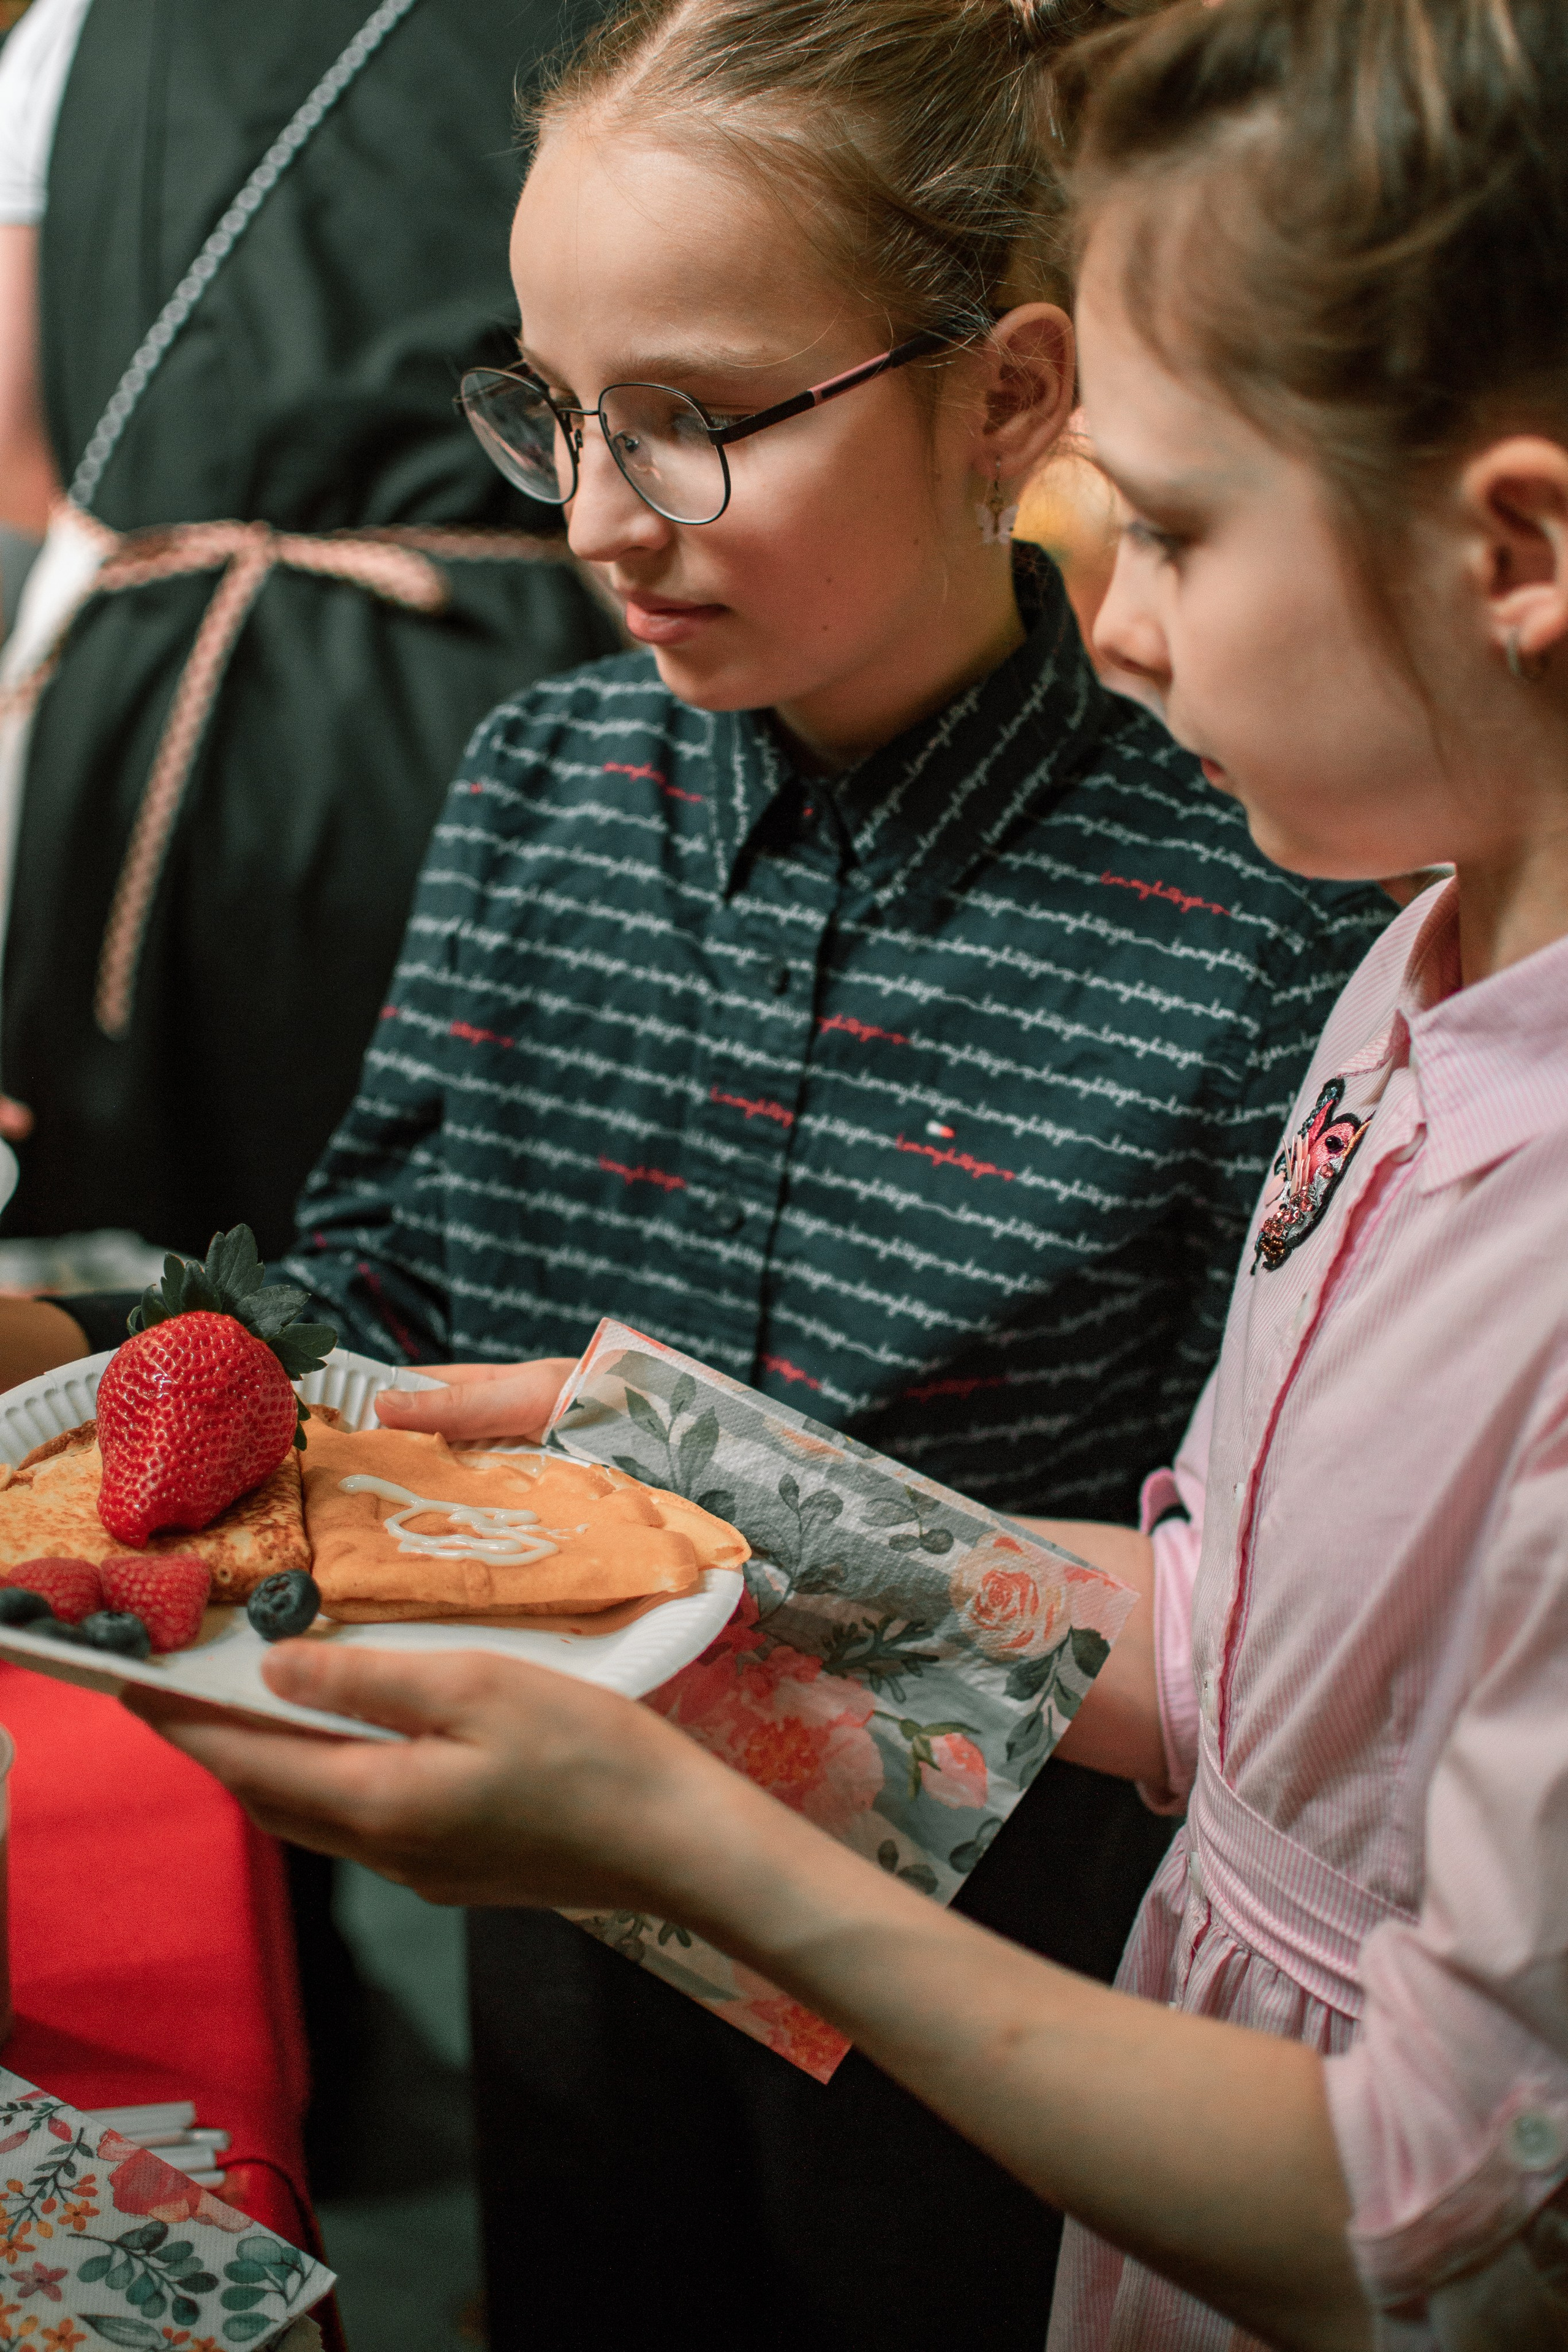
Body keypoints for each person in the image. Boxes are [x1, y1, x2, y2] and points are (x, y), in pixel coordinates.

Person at [121, 0, 1568, 2342]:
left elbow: (1268, 1618)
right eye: (556, 418)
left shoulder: (1283, 889)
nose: (593, 517)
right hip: (571, 1908)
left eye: (689, 423)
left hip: (1030, 1969)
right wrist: (96, 1358)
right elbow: (361, 1310)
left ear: (1010, 395)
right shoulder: (537, 784)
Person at [0, 0, 617, 1261]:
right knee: (463, 1301)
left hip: (136, 721)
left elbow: (17, 444)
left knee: (118, 1334)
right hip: (505, 709)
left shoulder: (80, 22)